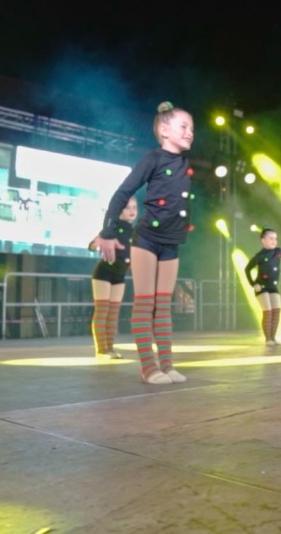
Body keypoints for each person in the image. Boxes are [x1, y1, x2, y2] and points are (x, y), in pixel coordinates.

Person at [94, 102, 194, 384]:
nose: (190, 133)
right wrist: (107, 231)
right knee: (145, 303)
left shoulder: (184, 164)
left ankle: (167, 365)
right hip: (147, 240)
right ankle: (149, 368)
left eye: (192, 128)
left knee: (163, 305)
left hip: (171, 243)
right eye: (184, 127)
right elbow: (122, 192)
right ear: (164, 130)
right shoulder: (153, 158)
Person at [88, 197, 138, 359]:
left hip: (120, 274)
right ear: (120, 210)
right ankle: (101, 350)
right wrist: (97, 242)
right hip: (104, 272)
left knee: (114, 313)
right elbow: (92, 245)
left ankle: (110, 348)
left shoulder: (134, 231)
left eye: (134, 207)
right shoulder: (112, 227)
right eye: (128, 207)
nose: (132, 211)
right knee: (102, 311)